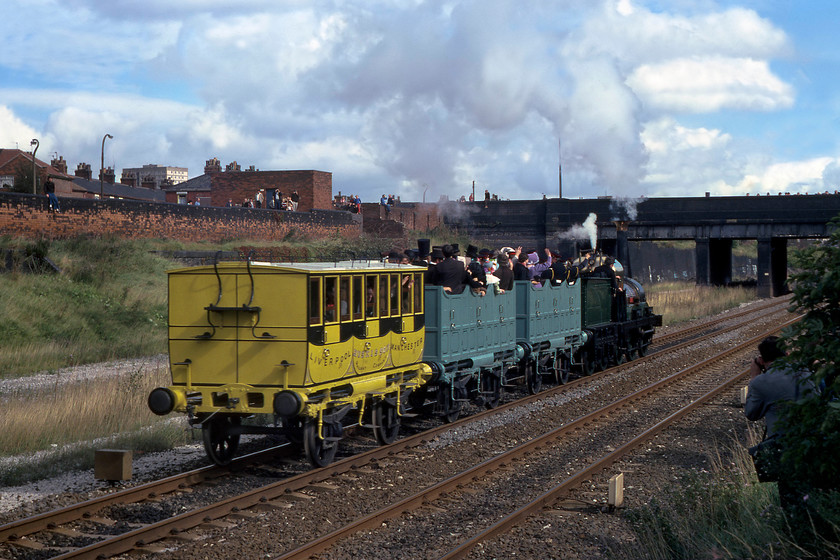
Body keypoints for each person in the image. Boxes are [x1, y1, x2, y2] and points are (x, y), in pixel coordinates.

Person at [745, 336, 816, 520]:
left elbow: (751, 413)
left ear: (761, 360)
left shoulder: (760, 383)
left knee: (791, 499)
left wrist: (754, 377)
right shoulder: (805, 372)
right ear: (787, 353)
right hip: (814, 442)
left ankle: (794, 534)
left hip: (784, 448)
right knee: (814, 494)